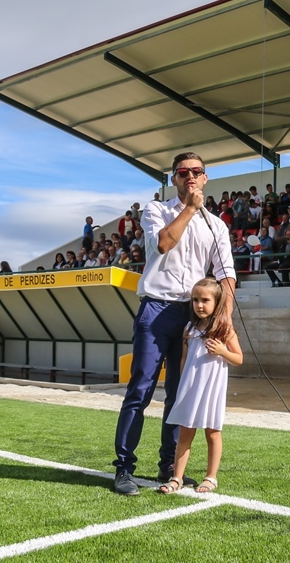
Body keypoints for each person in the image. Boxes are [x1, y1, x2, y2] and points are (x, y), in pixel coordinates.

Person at [113, 152, 236, 497]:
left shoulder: (217, 225)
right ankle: (124, 466)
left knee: (180, 396)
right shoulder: (157, 211)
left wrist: (224, 316)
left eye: (197, 172)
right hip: (156, 308)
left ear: (205, 177)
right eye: (184, 173)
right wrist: (190, 209)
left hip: (193, 314)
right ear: (174, 179)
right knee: (140, 389)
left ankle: (169, 466)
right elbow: (164, 243)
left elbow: (226, 273)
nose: (191, 177)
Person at [157, 278, 243, 495]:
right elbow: (184, 361)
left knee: (212, 432)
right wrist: (181, 386)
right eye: (195, 300)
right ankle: (177, 477)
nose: (199, 305)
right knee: (185, 432)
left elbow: (238, 358)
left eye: (205, 300)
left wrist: (222, 351)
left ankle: (211, 477)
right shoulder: (190, 328)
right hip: (190, 388)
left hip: (212, 389)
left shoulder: (224, 329)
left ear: (217, 302)